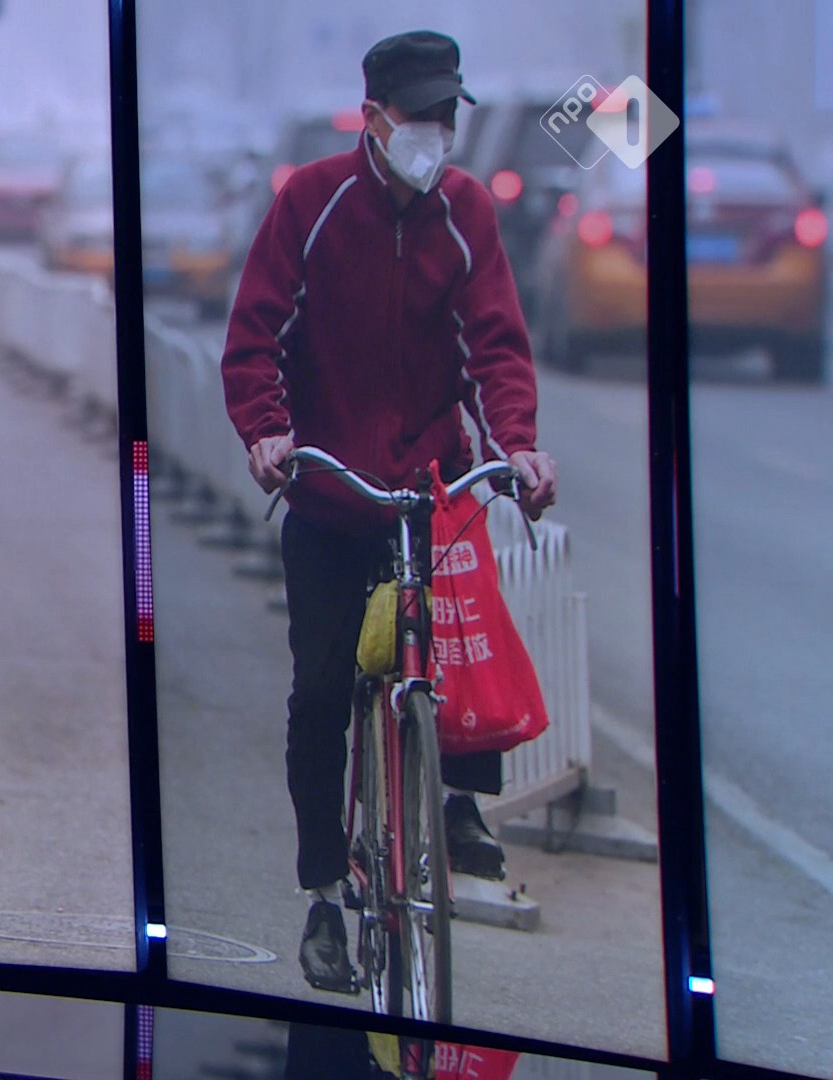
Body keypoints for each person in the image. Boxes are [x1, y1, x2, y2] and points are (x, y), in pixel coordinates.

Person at [221, 31, 560, 995]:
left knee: (460, 648)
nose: (436, 133)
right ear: (373, 118)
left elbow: (495, 346)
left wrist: (517, 445)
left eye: (448, 116)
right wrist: (268, 434)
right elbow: (255, 338)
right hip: (331, 491)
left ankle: (461, 804)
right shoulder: (312, 201)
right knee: (322, 692)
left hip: (426, 488)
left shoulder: (466, 212)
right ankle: (326, 893)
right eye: (419, 116)